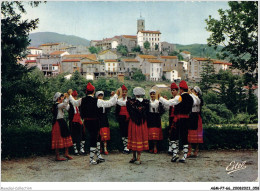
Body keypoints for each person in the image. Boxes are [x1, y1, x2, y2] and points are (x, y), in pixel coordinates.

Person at [69, 82, 119, 165]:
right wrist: (116, 95)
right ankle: (91, 159)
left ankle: (98, 155)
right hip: (95, 121)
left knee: (97, 137)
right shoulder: (97, 101)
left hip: (86, 122)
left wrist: (70, 95)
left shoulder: (82, 100)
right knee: (94, 138)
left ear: (86, 91)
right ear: (93, 92)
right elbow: (111, 103)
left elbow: (74, 102)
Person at [127, 87, 149, 165]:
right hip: (140, 122)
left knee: (135, 137)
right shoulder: (146, 102)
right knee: (137, 138)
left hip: (134, 122)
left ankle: (136, 157)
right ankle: (136, 157)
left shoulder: (130, 102)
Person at [159, 83, 180, 155]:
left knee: (175, 133)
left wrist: (162, 99)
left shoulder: (178, 98)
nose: (172, 92)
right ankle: (171, 148)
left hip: (177, 118)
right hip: (171, 118)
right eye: (171, 90)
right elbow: (167, 107)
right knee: (170, 132)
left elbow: (169, 103)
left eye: (173, 90)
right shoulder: (172, 99)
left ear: (177, 91)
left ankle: (175, 148)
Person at [51, 92, 73, 161]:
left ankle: (66, 153)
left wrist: (69, 99)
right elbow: (64, 104)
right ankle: (57, 156)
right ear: (58, 98)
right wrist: (67, 98)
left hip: (62, 121)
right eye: (62, 97)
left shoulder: (60, 105)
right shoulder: (57, 105)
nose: (62, 98)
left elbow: (67, 107)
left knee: (67, 135)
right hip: (58, 122)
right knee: (58, 138)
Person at [68, 90, 86, 155]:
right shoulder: (69, 105)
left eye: (75, 96)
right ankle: (75, 150)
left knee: (83, 134)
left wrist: (83, 119)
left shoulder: (78, 104)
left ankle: (82, 149)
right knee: (74, 135)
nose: (75, 98)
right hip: (73, 121)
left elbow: (82, 112)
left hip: (79, 120)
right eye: (73, 96)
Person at [187, 86, 203, 157]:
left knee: (197, 134)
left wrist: (190, 94)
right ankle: (189, 150)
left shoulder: (198, 99)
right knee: (189, 133)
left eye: (193, 91)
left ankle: (196, 150)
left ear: (196, 92)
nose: (191, 92)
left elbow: (194, 102)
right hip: (191, 116)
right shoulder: (192, 97)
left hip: (196, 116)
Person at [147, 89, 164, 154]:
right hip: (150, 117)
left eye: (153, 94)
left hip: (156, 117)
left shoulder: (158, 102)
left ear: (155, 94)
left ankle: (156, 147)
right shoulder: (148, 102)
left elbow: (162, 110)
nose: (152, 95)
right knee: (151, 133)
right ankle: (151, 147)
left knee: (156, 132)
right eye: (151, 94)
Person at [115, 85, 131, 154]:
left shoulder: (129, 99)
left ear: (127, 92)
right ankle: (125, 146)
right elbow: (116, 111)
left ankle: (128, 146)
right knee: (123, 132)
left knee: (128, 132)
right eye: (123, 92)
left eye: (125, 92)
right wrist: (118, 118)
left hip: (128, 118)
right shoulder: (119, 100)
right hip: (121, 118)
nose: (124, 93)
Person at [96, 91, 111, 155]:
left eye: (101, 96)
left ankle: (105, 148)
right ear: (97, 96)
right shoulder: (95, 103)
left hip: (104, 120)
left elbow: (109, 108)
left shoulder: (105, 103)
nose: (100, 97)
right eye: (99, 96)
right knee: (98, 135)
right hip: (98, 119)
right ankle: (99, 149)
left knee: (105, 135)